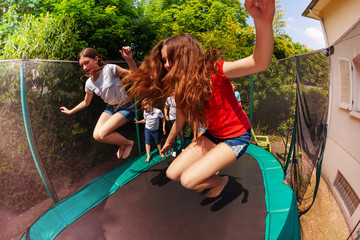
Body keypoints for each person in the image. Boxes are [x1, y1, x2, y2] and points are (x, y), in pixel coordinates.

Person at [120, 0, 275, 198]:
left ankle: (222, 180)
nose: (166, 65)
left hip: (236, 136)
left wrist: (263, 23)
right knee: (172, 173)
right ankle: (214, 174)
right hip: (214, 134)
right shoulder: (181, 88)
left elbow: (259, 62)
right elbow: (180, 119)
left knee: (189, 180)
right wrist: (169, 141)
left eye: (169, 60)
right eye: (164, 61)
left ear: (184, 56)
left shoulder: (215, 70)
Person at [60, 47, 136, 159]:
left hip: (125, 106)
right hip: (111, 107)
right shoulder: (89, 83)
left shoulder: (109, 69)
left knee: (103, 133)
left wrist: (129, 60)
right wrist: (71, 111)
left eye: (87, 63)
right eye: (82, 65)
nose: (85, 67)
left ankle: (128, 143)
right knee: (97, 135)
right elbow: (86, 102)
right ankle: (120, 143)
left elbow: (134, 76)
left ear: (95, 59)